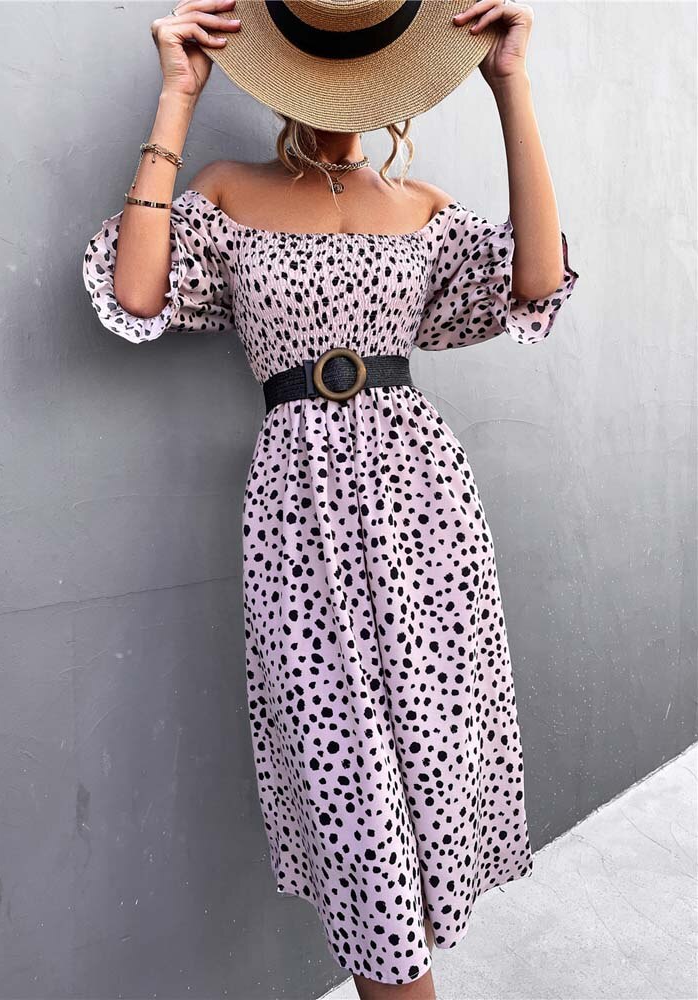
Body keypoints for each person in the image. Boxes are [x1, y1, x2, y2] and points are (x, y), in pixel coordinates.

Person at [82, 2, 579, 997]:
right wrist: (177, 97)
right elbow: (135, 292)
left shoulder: (425, 206)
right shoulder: (228, 192)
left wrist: (511, 86)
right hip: (299, 518)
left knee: (433, 761)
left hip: (426, 513)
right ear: (287, 72)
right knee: (348, 785)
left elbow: (536, 284)